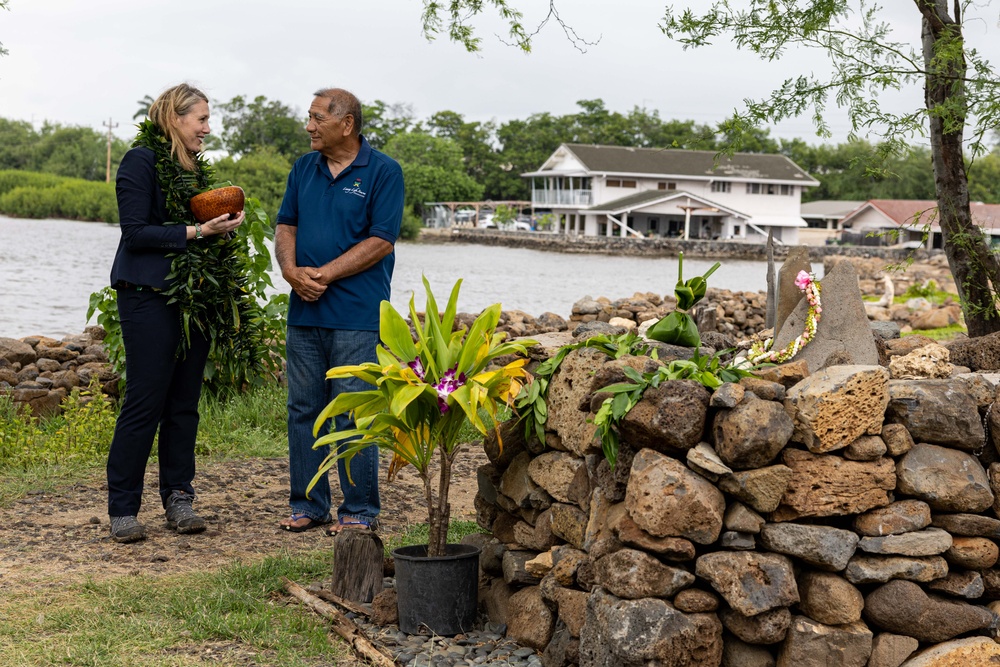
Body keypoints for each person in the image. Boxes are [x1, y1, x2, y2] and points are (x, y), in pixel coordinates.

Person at [105, 83, 244, 543]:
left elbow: (199, 234)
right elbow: (136, 232)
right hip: (146, 295)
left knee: (184, 403)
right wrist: (196, 230)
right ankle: (123, 509)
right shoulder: (139, 161)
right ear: (175, 118)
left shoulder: (192, 172)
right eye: (201, 119)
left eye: (207, 119)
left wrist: (218, 229)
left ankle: (179, 499)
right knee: (145, 402)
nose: (208, 127)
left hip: (193, 299)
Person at [275, 88, 403, 535]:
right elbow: (285, 224)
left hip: (356, 315)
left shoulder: (384, 171)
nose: (308, 127)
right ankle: (308, 504)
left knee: (352, 410)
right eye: (308, 118)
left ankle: (359, 511)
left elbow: (381, 240)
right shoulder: (302, 169)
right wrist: (291, 272)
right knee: (303, 409)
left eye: (316, 119)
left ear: (345, 124)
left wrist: (323, 275)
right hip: (304, 313)